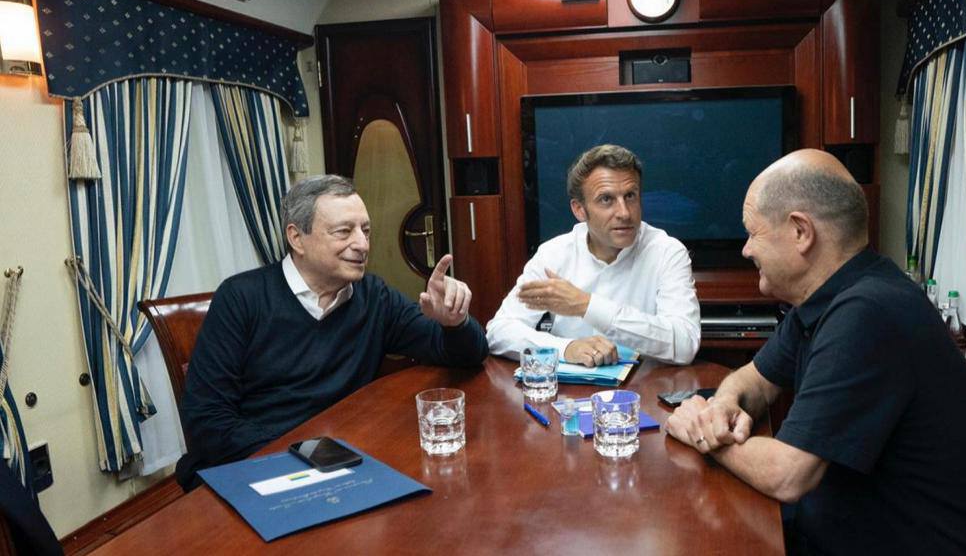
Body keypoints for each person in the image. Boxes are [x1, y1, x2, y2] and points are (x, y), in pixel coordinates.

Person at [665, 150, 966, 554]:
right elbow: (754, 379)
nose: (746, 250)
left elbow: (787, 475)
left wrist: (702, 432)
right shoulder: (828, 297)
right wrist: (722, 406)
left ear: (800, 232)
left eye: (753, 233)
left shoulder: (868, 313)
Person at [177, 175, 488, 490]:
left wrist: (454, 321)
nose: (362, 244)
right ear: (297, 238)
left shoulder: (374, 297)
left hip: (343, 464)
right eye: (344, 231)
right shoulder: (241, 298)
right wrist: (305, 455)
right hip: (256, 467)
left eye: (366, 230)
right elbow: (207, 418)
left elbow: (469, 355)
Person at [486, 144, 700, 366]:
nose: (624, 213)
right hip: (571, 386)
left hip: (647, 384)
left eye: (630, 196)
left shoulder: (667, 252)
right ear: (579, 210)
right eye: (606, 199)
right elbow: (499, 331)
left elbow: (684, 344)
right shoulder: (554, 254)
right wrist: (566, 348)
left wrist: (586, 305)